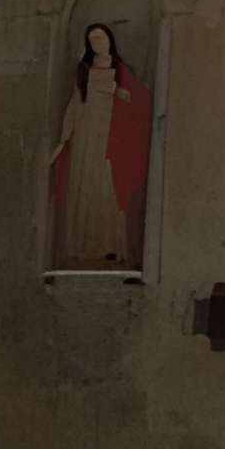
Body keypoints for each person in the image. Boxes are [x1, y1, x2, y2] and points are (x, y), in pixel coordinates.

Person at [49, 23, 151, 269]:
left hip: (109, 136)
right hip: (85, 134)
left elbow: (139, 100)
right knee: (83, 186)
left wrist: (117, 90)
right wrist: (65, 136)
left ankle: (110, 247)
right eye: (92, 39)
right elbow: (75, 103)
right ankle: (81, 248)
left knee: (106, 187)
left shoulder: (120, 69)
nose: (97, 42)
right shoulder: (84, 70)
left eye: (101, 37)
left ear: (109, 40)